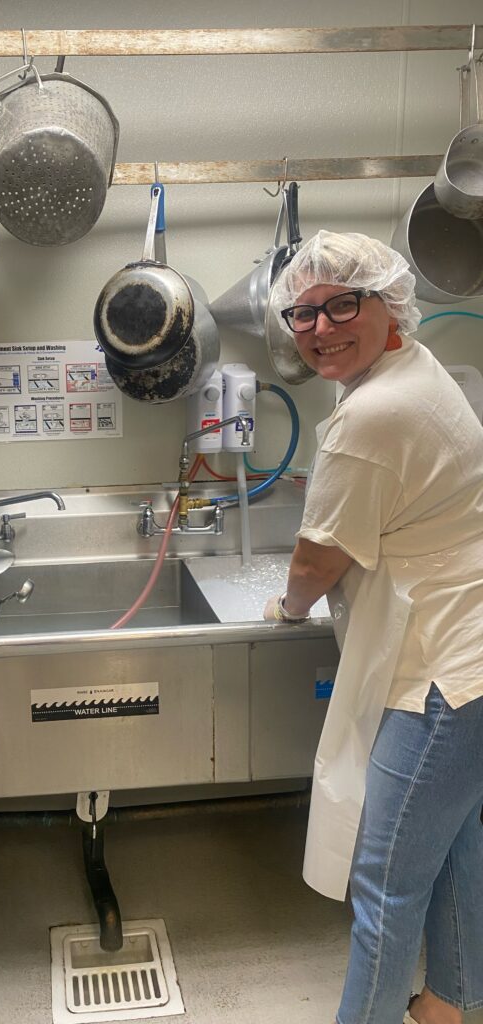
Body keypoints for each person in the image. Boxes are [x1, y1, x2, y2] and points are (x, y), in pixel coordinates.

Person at [262, 230, 483, 1024]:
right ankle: (448, 1006)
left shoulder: (372, 415)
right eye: (303, 313)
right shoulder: (418, 373)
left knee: (385, 882)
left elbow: (315, 564)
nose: (320, 328)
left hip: (440, 676)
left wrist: (285, 609)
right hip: (470, 653)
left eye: (342, 305)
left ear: (391, 306)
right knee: (457, 846)